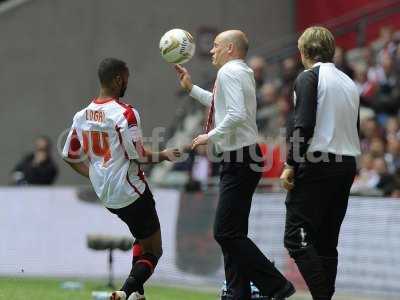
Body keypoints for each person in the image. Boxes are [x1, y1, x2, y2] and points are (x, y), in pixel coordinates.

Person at [175, 30, 295, 300]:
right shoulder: (242, 72)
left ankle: (275, 285)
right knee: (233, 232)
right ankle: (237, 292)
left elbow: (236, 114)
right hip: (244, 157)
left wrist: (210, 135)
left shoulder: (229, 73)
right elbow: (224, 105)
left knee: (225, 232)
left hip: (239, 158)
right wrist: (191, 89)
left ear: (230, 48)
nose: (212, 51)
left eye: (216, 46)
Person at [62, 58, 181, 300]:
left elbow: (69, 156)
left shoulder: (81, 116)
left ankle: (137, 293)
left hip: (107, 196)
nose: (127, 82)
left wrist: (94, 175)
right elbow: (138, 155)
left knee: (141, 235)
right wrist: (164, 155)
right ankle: (124, 292)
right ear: (118, 79)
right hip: (132, 191)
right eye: (126, 78)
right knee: (154, 251)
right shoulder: (125, 113)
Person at [280, 26, 361, 300]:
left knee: (295, 237)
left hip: (318, 163)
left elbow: (302, 125)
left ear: (303, 52)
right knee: (327, 242)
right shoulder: (349, 82)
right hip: (346, 164)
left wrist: (291, 163)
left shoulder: (308, 78)